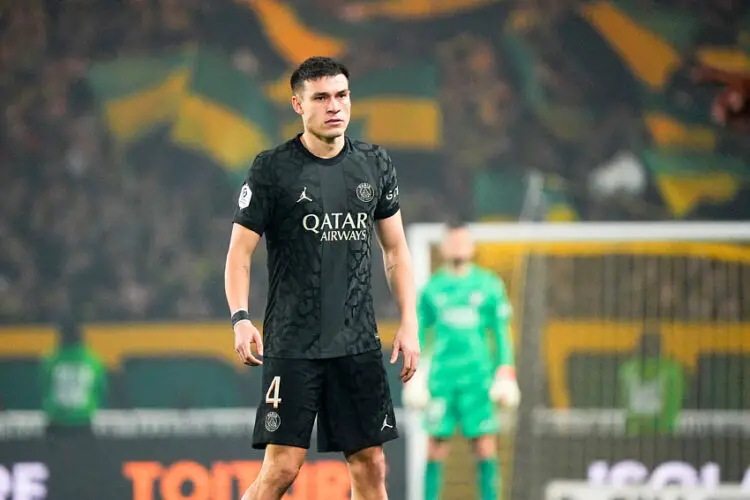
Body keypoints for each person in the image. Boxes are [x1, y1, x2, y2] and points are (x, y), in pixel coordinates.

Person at [224, 56, 420, 500]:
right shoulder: (272, 169)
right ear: (298, 104)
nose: (335, 106)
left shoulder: (375, 164)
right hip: (293, 344)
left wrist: (409, 321)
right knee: (282, 469)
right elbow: (240, 252)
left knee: (371, 464)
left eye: (342, 95)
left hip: (357, 344)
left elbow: (395, 251)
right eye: (322, 97)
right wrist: (240, 317)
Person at [402, 221, 520, 500]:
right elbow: (418, 332)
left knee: (485, 447)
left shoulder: (489, 285)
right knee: (435, 448)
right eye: (452, 241)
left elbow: (501, 333)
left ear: (472, 246)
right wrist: (415, 375)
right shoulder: (432, 289)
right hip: (442, 380)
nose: (457, 246)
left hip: (478, 380)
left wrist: (506, 372)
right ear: (443, 247)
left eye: (462, 241)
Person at [41, 316, 107, 439]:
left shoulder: (51, 360)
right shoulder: (93, 360)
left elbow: (44, 386)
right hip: (83, 420)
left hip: (56, 421)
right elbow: (100, 388)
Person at [618, 331, 685, 436]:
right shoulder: (673, 370)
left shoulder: (627, 370)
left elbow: (624, 399)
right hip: (664, 433)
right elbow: (676, 399)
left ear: (638, 347)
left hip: (634, 432)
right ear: (661, 348)